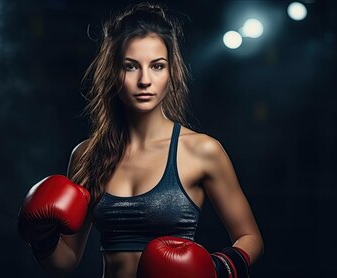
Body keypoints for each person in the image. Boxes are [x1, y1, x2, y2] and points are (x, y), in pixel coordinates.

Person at [17, 3, 263, 277]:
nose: (145, 80)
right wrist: (42, 237)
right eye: (131, 66)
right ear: (113, 72)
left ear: (171, 73)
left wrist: (217, 268)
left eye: (157, 66)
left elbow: (250, 237)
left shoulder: (201, 150)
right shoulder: (87, 155)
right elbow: (66, 261)